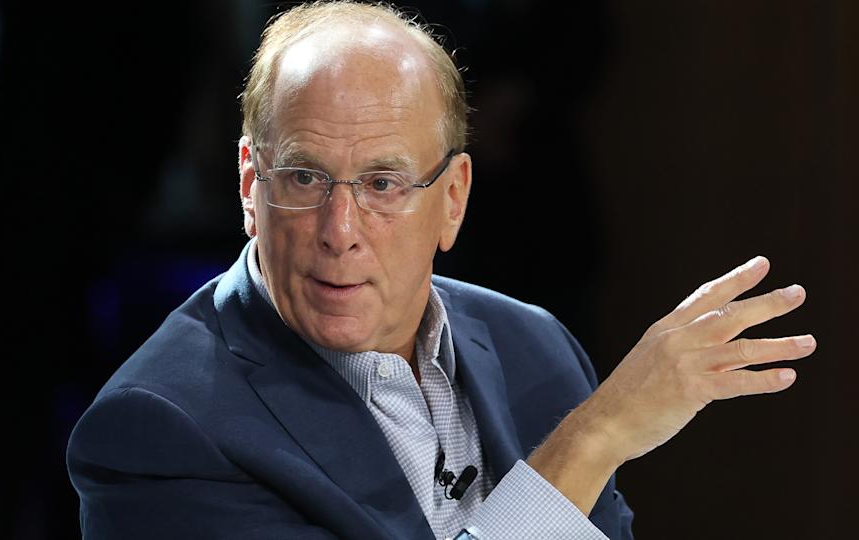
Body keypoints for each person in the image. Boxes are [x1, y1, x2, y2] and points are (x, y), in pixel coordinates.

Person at [66, 2, 816, 538]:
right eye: (303, 178)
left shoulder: (535, 348)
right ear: (247, 184)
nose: (340, 230)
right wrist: (592, 440)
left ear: (451, 199)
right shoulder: (159, 429)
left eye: (384, 184)